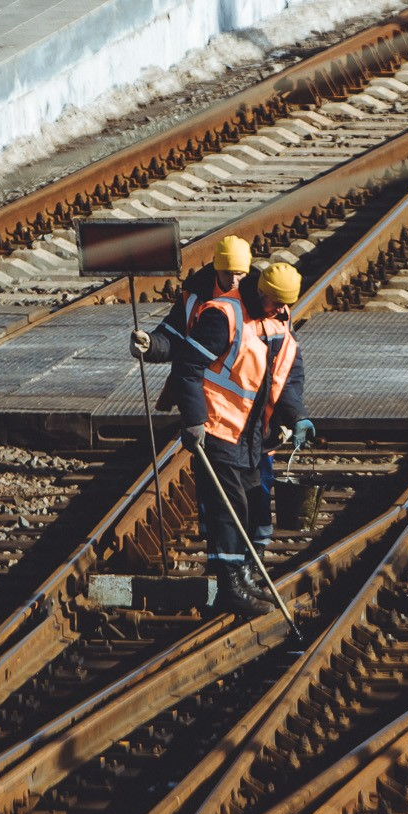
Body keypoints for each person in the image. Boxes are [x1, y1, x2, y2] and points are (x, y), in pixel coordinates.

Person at [169, 260, 313, 614]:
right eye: (277, 302)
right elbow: (188, 367)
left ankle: (244, 577)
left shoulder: (276, 319)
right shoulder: (223, 315)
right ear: (262, 290)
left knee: (248, 506)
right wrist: (194, 421)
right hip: (218, 426)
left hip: (251, 433)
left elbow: (285, 376)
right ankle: (230, 586)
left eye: (286, 304)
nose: (282, 309)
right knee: (227, 507)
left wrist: (297, 416)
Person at [130, 236, 250, 365]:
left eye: (239, 274)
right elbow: (172, 336)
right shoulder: (192, 299)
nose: (233, 281)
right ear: (217, 268)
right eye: (227, 273)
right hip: (198, 380)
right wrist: (150, 344)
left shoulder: (259, 301)